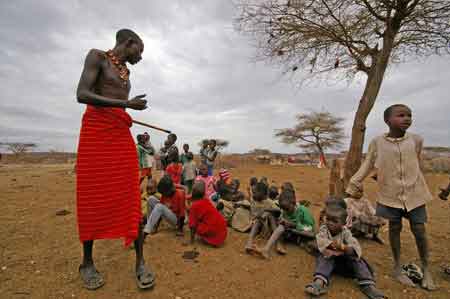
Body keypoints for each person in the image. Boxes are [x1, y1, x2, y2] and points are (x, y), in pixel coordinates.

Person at [75, 29, 154, 290]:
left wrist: (125, 108)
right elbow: (82, 94)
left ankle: (140, 261)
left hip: (120, 135)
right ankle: (87, 262)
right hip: (97, 135)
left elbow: (118, 104)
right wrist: (126, 106)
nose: (140, 57)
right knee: (92, 197)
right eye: (139, 50)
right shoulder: (97, 57)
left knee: (131, 195)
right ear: (128, 43)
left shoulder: (126, 73)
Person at [346, 104, 436, 290]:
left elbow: (417, 163)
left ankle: (426, 269)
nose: (407, 118)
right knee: (394, 228)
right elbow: (368, 163)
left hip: (415, 193)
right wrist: (355, 182)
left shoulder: (416, 140)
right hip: (390, 194)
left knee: (419, 230)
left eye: (409, 115)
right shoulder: (377, 142)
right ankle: (397, 267)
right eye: (401, 115)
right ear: (387, 120)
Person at [304, 205, 384, 299]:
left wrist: (343, 248)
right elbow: (322, 242)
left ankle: (368, 285)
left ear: (343, 223)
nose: (330, 223)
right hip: (330, 265)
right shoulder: (324, 230)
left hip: (346, 266)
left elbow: (355, 248)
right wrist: (334, 248)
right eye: (328, 219)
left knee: (357, 259)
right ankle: (319, 283)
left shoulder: (346, 233)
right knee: (325, 256)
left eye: (335, 221)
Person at [254, 189, 315, 259]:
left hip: (303, 233)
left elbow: (310, 230)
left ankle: (272, 246)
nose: (285, 211)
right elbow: (282, 216)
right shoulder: (285, 210)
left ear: (294, 203)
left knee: (282, 226)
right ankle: (267, 249)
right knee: (277, 222)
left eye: (287, 209)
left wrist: (293, 225)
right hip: (291, 231)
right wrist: (282, 220)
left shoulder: (303, 210)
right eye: (283, 209)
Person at [244, 182, 279, 254]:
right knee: (257, 220)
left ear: (262, 194)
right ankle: (249, 242)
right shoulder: (254, 201)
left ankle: (277, 242)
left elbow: (278, 210)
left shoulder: (269, 202)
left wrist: (267, 210)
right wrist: (259, 216)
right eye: (253, 193)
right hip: (258, 226)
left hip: (268, 227)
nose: (253, 194)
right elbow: (253, 215)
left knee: (269, 214)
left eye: (255, 193)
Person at [189, 181, 228, 247]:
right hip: (222, 232)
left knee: (194, 222)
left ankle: (209, 239)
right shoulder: (206, 200)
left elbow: (192, 225)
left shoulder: (194, 206)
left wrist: (191, 240)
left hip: (214, 236)